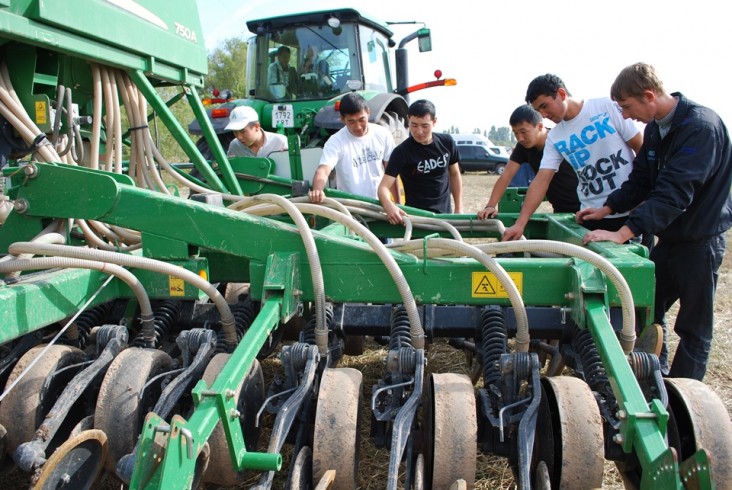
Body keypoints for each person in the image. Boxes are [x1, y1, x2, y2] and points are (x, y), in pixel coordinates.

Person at [581, 62, 732, 381]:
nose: (624, 115)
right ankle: (653, 375)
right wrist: (607, 209)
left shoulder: (700, 127)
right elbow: (641, 182)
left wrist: (624, 232)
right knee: (647, 305)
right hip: (673, 240)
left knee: (693, 327)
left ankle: (683, 397)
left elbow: (674, 192)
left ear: (649, 96)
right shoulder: (655, 130)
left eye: (626, 106)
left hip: (700, 242)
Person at [502, 74, 643, 241]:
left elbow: (641, 149)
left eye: (545, 106)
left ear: (561, 94)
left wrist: (644, 199)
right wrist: (520, 223)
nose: (544, 114)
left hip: (631, 211)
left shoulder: (606, 107)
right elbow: (541, 181)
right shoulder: (555, 137)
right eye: (539, 111)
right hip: (592, 216)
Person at [477, 104, 579, 220]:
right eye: (515, 133)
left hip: (585, 206)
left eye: (523, 132)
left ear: (540, 126)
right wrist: (490, 206)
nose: (520, 138)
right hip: (561, 210)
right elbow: (506, 175)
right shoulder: (523, 147)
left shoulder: (561, 140)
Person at [377, 99, 462, 223]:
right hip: (416, 218)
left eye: (425, 126)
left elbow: (454, 174)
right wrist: (389, 206)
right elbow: (383, 188)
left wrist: (459, 208)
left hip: (445, 217)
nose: (419, 131)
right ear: (408, 120)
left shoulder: (446, 142)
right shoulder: (402, 152)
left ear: (434, 122)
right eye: (414, 125)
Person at [308, 93, 396, 203]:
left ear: (368, 112)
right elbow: (323, 170)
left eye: (361, 119)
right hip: (350, 205)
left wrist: (397, 205)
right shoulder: (336, 141)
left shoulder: (383, 134)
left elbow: (391, 172)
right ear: (342, 119)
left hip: (380, 202)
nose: (358, 126)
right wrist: (317, 190)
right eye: (351, 122)